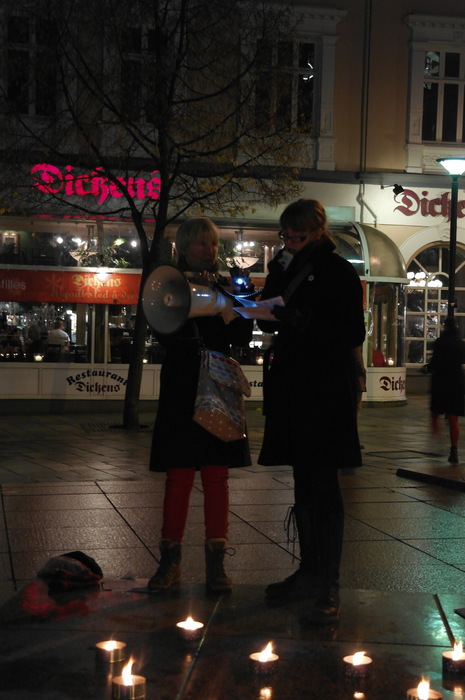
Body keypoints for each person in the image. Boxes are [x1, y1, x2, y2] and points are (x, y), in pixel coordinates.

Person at [257, 198, 365, 624]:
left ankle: (328, 582)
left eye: (297, 237)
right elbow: (266, 320)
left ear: (318, 232)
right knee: (303, 478)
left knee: (324, 482)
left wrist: (303, 320)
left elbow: (352, 331)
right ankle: (309, 571)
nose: (289, 243)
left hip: (326, 387)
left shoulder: (338, 271)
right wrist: (272, 286)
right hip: (294, 385)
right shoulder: (285, 267)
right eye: (285, 236)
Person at [148, 217, 253, 595]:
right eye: (201, 244)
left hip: (216, 384)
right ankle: (169, 562)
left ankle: (216, 565)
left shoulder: (223, 285)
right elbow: (164, 332)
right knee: (179, 475)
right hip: (183, 385)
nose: (209, 251)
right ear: (185, 248)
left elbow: (242, 336)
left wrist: (241, 300)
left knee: (215, 475)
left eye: (213, 244)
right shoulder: (171, 284)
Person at [426, 316, 465, 464]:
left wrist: (427, 369)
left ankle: (436, 440)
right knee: (454, 419)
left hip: (440, 381)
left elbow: (434, 363)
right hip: (456, 382)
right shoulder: (460, 344)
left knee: (435, 413)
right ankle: (454, 449)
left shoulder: (440, 342)